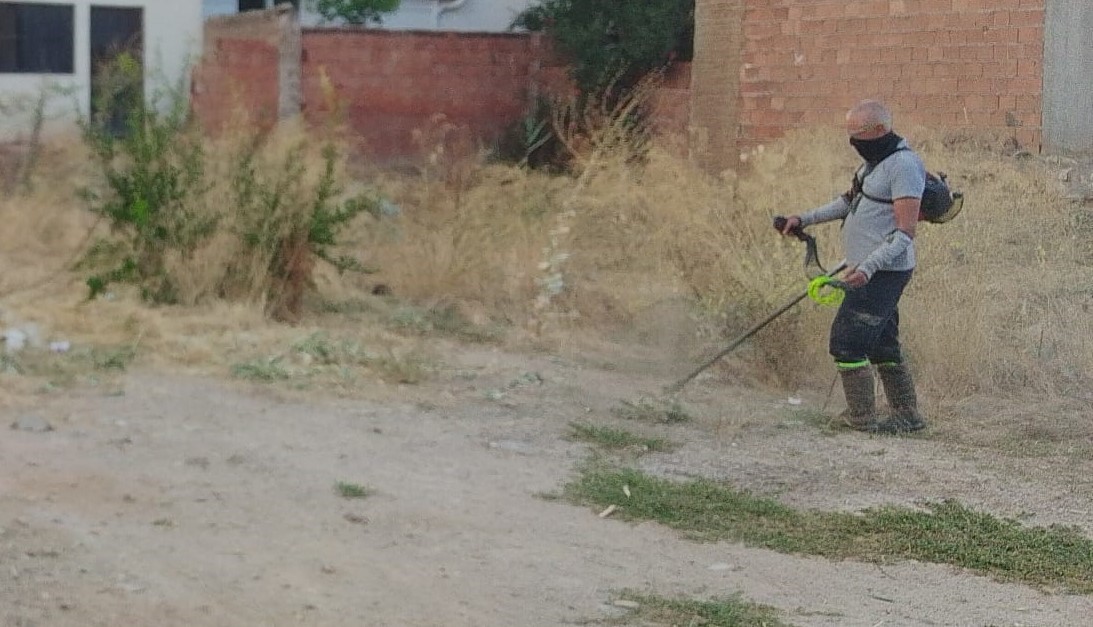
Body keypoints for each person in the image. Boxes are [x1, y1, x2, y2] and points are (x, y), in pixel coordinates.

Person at [779, 100, 927, 434]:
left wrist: (868, 268)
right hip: (865, 267)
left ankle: (861, 419)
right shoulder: (871, 165)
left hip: (883, 272)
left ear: (879, 130)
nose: (853, 142)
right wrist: (804, 219)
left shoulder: (903, 166)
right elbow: (848, 202)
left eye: (858, 134)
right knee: (882, 343)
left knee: (847, 342)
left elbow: (905, 233)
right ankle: (908, 416)